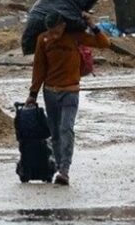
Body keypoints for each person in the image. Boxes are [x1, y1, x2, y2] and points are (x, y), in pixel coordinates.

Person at [26, 11, 111, 186]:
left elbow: (105, 43)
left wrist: (92, 25)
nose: (53, 35)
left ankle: (65, 170)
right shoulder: (43, 39)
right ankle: (59, 166)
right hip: (49, 92)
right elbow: (39, 67)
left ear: (63, 25)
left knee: (67, 128)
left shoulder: (75, 36)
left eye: (56, 31)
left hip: (70, 91)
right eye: (50, 31)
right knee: (55, 132)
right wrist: (33, 94)